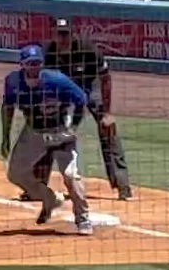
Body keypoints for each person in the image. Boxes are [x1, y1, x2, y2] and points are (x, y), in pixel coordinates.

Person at [1, 44, 95, 235]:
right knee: (16, 174)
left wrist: (73, 127)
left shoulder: (57, 80)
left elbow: (81, 100)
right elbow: (7, 108)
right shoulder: (13, 82)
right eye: (30, 64)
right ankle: (49, 198)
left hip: (60, 130)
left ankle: (83, 218)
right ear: (22, 65)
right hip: (34, 132)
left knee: (70, 175)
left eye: (37, 63)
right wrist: (5, 136)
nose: (34, 67)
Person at [45, 18, 133, 199]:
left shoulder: (88, 49)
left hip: (90, 85)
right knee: (46, 128)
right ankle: (36, 184)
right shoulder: (49, 53)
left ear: (73, 34)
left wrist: (107, 113)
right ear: (53, 35)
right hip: (67, 89)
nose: (62, 39)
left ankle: (122, 185)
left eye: (66, 34)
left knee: (108, 128)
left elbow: (105, 79)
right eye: (59, 34)